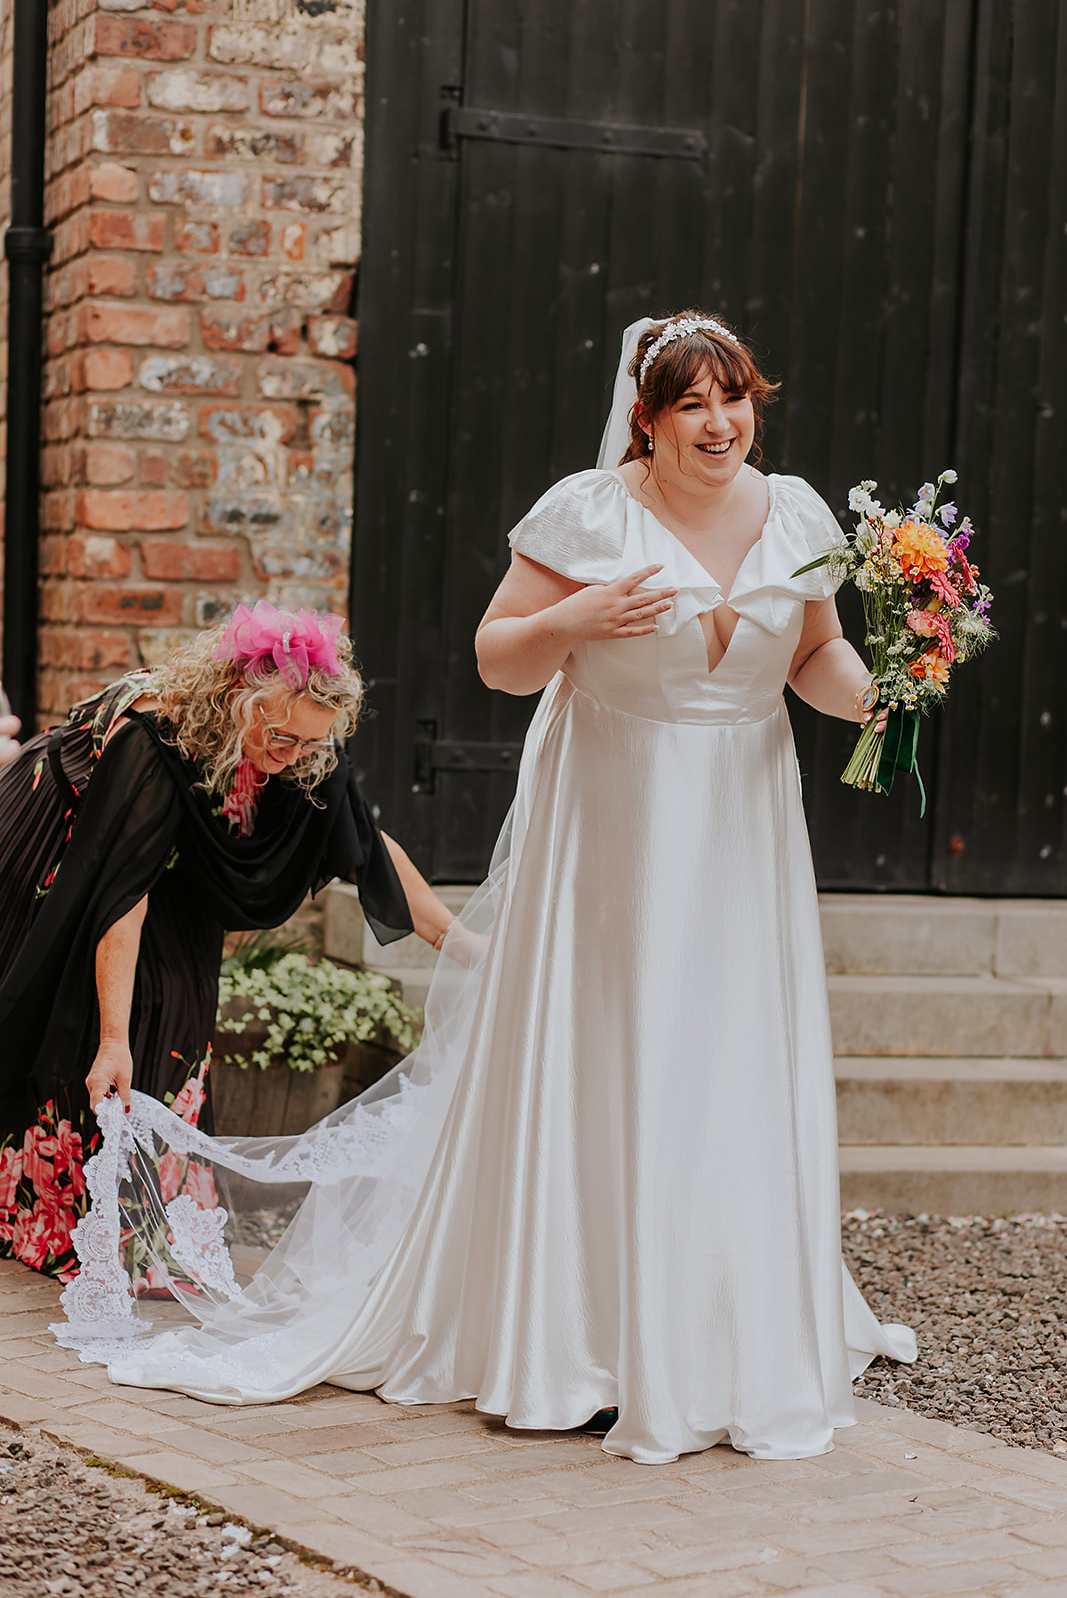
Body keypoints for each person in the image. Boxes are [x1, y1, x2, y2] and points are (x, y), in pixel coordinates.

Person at [55, 314, 914, 1466]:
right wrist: (575, 617)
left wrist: (883, 701)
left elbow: (812, 655)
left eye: (735, 400)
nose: (720, 424)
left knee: (726, 1053)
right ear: (646, 421)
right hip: (618, 831)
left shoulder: (799, 513)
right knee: (614, 1055)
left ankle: (720, 1329)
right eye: (691, 404)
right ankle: (583, 1342)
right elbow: (498, 655)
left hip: (739, 831)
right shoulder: (588, 513)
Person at [0, 602, 455, 1278]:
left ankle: (154, 1228)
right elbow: (121, 895)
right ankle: (57, 1217)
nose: (292, 755)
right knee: (82, 1022)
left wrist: (459, 939)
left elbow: (363, 845)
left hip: (172, 873)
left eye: (308, 743)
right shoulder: (157, 737)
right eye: (281, 738)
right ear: (239, 701)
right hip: (60, 855)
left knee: (179, 1016)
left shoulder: (303, 736)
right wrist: (115, 1038)